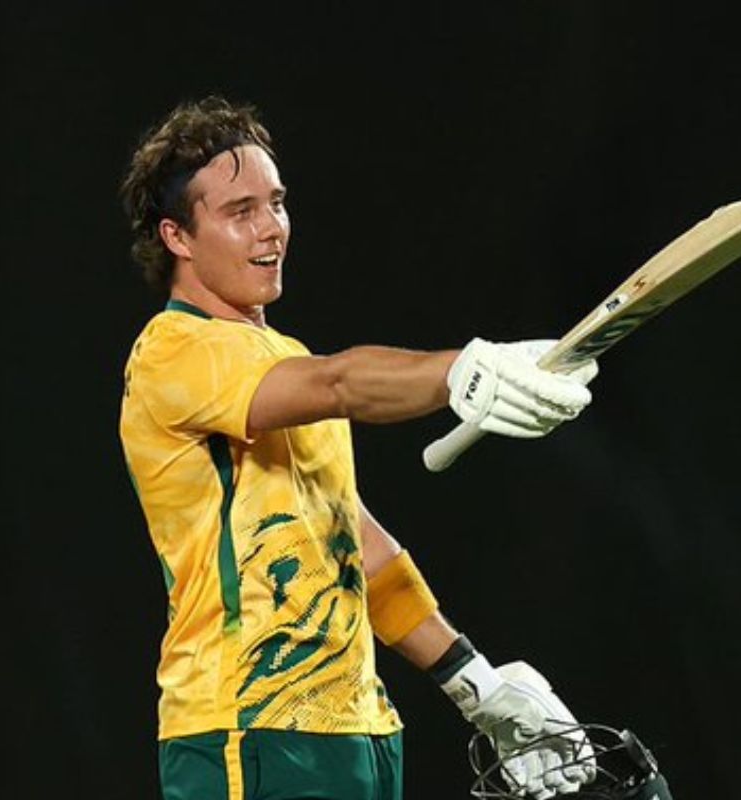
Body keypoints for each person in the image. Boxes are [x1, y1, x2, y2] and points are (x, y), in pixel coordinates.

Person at [118, 96, 600, 800]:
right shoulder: (174, 352)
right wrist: (465, 370)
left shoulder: (280, 360)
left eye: (276, 203)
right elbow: (340, 382)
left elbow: (353, 546)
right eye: (240, 211)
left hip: (358, 734)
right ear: (177, 237)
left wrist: (475, 682)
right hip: (249, 733)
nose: (270, 228)